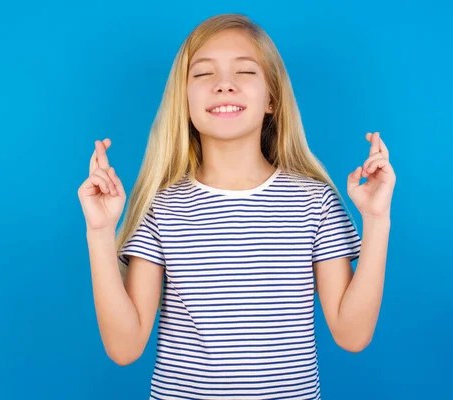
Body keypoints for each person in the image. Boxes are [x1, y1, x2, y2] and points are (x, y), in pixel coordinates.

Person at [78, 13, 396, 400]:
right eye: (203, 74)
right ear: (185, 100)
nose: (224, 86)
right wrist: (99, 232)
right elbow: (124, 349)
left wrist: (376, 220)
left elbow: (352, 334)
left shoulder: (314, 203)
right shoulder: (162, 209)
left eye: (245, 72)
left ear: (272, 99)